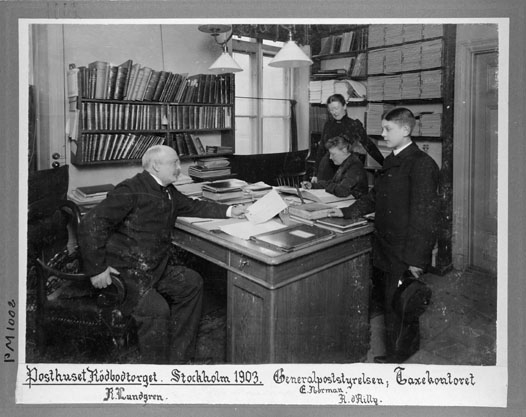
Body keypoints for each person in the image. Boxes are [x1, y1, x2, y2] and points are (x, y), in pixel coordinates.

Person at [78, 145, 245, 364]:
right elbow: (90, 223)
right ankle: (157, 372)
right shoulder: (131, 189)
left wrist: (231, 211)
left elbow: (192, 206)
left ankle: (179, 359)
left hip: (154, 268)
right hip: (127, 273)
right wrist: (97, 269)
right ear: (156, 166)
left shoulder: (167, 190)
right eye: (174, 162)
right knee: (157, 310)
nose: (179, 167)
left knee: (192, 283)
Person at [326, 108, 439, 363]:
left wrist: (417, 260)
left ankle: (398, 357)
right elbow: (375, 197)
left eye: (388, 129)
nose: (383, 134)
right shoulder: (393, 159)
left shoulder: (421, 164)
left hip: (403, 251)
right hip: (387, 246)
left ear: (406, 130)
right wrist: (345, 212)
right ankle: (401, 350)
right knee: (392, 303)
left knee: (400, 304)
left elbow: (426, 218)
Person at [312, 94, 384, 183]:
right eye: (331, 110)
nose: (334, 112)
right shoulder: (328, 125)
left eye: (336, 108)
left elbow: (369, 146)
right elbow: (321, 149)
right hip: (326, 168)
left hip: (345, 169)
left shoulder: (354, 125)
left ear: (344, 106)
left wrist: (385, 164)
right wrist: (315, 174)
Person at [301, 134, 368, 199]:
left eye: (333, 154)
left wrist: (330, 186)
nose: (330, 157)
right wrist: (313, 185)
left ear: (344, 150)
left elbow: (342, 190)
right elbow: (333, 183)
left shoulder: (355, 166)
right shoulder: (346, 163)